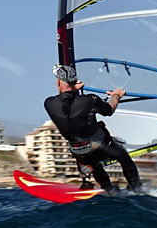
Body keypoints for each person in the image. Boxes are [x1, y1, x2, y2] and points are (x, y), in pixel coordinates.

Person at [43, 64, 142, 194]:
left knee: (93, 164)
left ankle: (108, 188)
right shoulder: (90, 100)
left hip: (79, 152)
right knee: (123, 156)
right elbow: (109, 110)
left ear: (58, 82)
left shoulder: (49, 103)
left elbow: (64, 101)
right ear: (74, 82)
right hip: (100, 146)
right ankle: (137, 188)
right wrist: (116, 95)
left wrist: (73, 89)